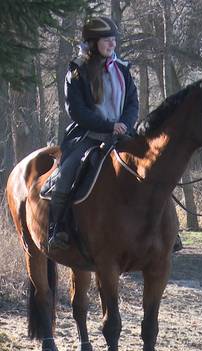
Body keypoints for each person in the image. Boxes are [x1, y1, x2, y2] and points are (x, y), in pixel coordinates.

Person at [48, 16, 139, 251]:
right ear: (92, 43)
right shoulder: (77, 71)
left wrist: (124, 125)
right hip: (88, 135)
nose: (112, 44)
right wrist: (108, 126)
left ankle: (168, 229)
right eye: (107, 40)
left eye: (113, 40)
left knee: (152, 164)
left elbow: (132, 104)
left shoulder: (123, 69)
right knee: (66, 174)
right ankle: (58, 228)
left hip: (121, 134)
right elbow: (76, 111)